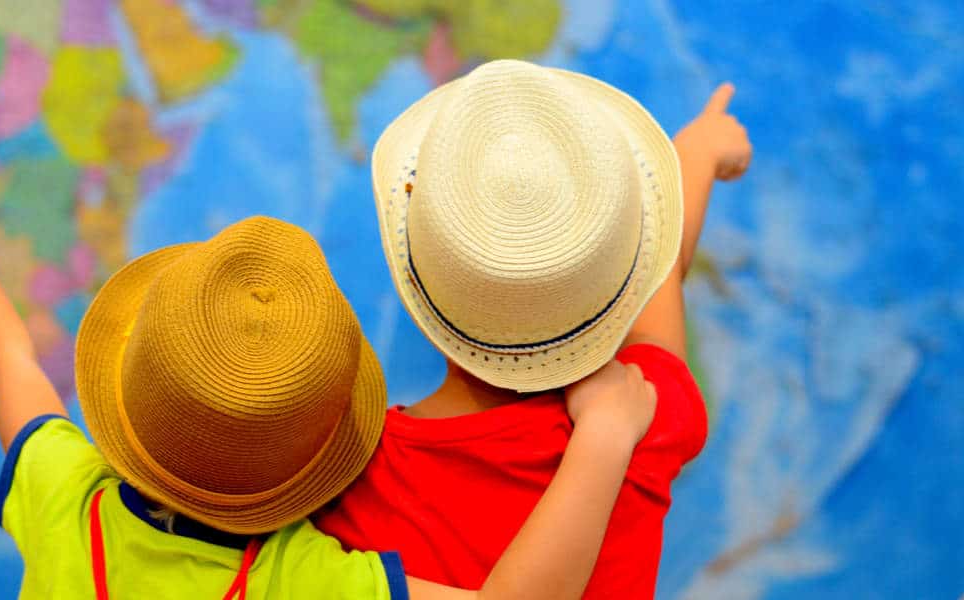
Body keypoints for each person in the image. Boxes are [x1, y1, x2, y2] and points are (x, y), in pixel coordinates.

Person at [0, 192, 660, 599]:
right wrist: (603, 436)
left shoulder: (65, 501)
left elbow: (8, 365)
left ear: (132, 398)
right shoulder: (302, 579)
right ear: (318, 462)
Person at [314, 60, 753, 599]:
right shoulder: (646, 414)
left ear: (421, 291)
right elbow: (660, 293)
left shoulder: (342, 479)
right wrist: (699, 154)